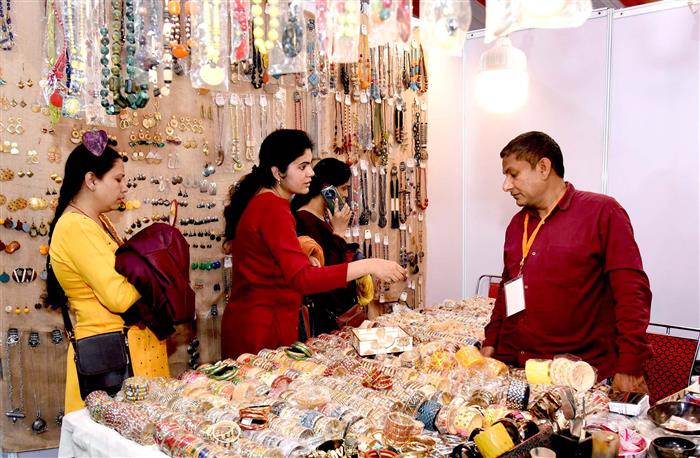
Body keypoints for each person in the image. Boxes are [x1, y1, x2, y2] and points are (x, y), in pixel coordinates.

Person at [481, 131, 652, 393]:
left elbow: (632, 293)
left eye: (513, 174)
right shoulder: (518, 224)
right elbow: (508, 286)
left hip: (579, 376)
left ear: (543, 167)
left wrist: (629, 364)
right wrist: (492, 340)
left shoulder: (602, 212)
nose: (506, 185)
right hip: (520, 370)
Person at [221, 129, 406, 358]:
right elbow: (303, 280)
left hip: (258, 322)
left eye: (309, 164)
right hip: (262, 331)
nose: (310, 173)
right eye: (302, 166)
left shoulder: (266, 202)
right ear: (277, 172)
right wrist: (370, 265)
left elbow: (267, 257)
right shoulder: (272, 209)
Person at [47, 135, 169, 414]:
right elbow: (118, 296)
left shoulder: (95, 221)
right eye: (118, 179)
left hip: (124, 348)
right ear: (91, 180)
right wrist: (157, 273)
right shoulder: (76, 227)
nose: (125, 187)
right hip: (112, 357)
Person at [292, 158, 359, 336]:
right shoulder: (303, 219)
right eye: (344, 188)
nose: (345, 195)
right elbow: (324, 274)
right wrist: (338, 233)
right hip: (322, 319)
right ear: (328, 189)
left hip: (333, 313)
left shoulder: (322, 217)